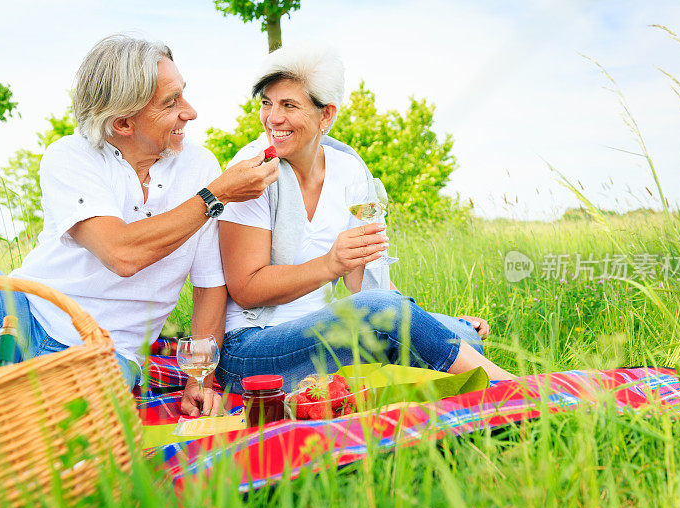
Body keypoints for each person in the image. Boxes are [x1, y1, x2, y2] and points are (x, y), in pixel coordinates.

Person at [0, 34, 279, 416]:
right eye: (171, 103)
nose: (190, 112)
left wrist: (199, 379)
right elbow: (121, 253)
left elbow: (210, 285)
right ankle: (16, 392)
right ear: (123, 122)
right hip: (23, 319)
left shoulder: (201, 167)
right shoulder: (69, 156)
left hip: (109, 356)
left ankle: (18, 398)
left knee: (66, 417)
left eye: (183, 95)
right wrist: (215, 196)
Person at [215, 44, 516, 394]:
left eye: (289, 105)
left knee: (464, 337)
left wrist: (423, 321)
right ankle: (517, 389)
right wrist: (331, 264)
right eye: (267, 103)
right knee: (441, 343)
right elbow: (246, 289)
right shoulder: (252, 170)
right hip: (251, 349)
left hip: (321, 334)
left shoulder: (350, 171)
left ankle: (452, 349)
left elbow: (369, 288)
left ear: (326, 115)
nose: (273, 118)